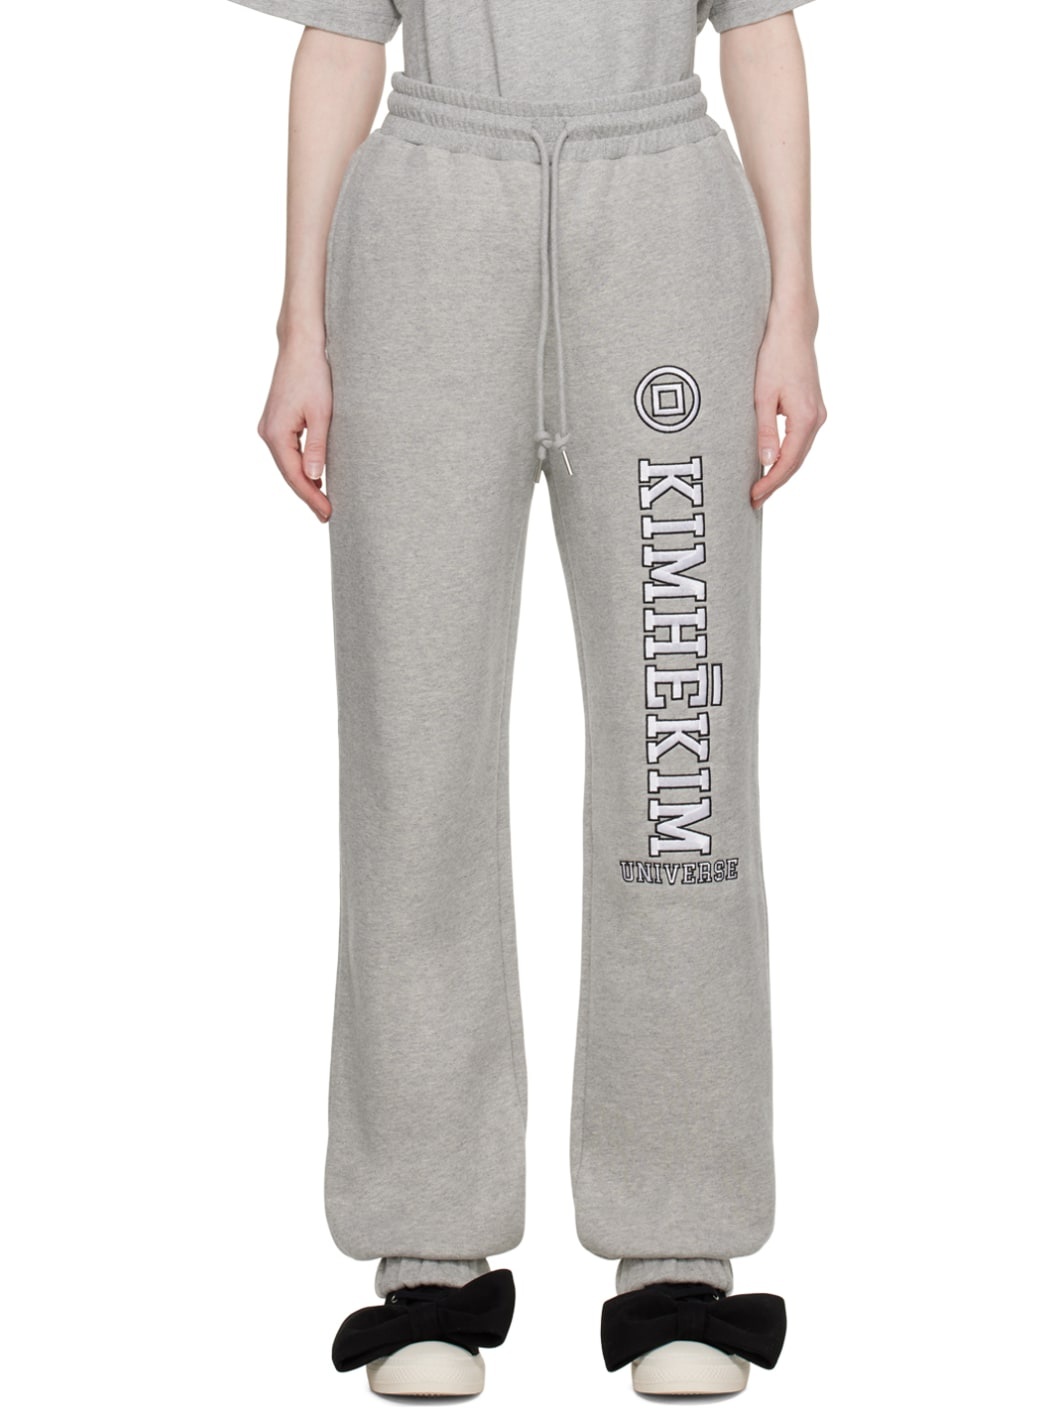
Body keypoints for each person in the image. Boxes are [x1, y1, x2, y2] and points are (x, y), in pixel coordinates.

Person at [228, 0, 825, 1396]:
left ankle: (679, 1246)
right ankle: (425, 1247)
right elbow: (338, 43)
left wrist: (794, 308)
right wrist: (300, 324)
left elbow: (762, 30)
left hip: (667, 240)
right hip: (427, 238)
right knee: (414, 758)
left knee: (678, 766)